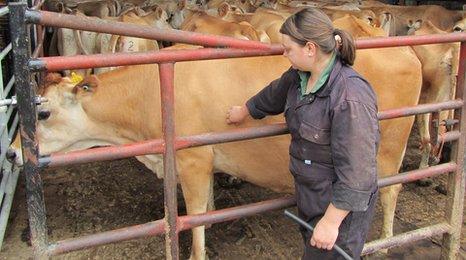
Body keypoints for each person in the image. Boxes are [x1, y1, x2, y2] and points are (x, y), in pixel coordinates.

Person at [226, 8, 379, 260]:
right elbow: (274, 94)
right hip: (311, 194)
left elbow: (359, 171)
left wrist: (330, 222)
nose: (284, 53)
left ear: (310, 48)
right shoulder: (300, 76)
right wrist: (245, 110)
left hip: (338, 208)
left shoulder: (350, 96)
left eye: (288, 49)